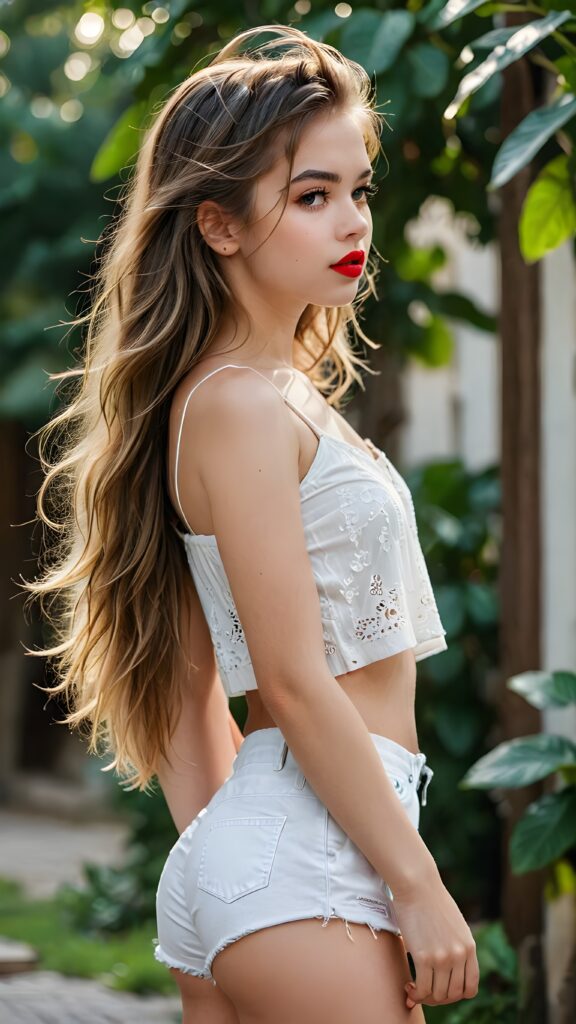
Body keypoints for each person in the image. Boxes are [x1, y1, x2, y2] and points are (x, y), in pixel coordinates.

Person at [27, 22, 480, 1024]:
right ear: (220, 226)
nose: (351, 220)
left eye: (358, 189)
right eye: (311, 196)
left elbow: (187, 678)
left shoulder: (269, 395)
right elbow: (289, 678)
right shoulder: (237, 404)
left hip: (284, 855)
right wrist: (416, 884)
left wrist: (223, 870)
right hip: (306, 862)